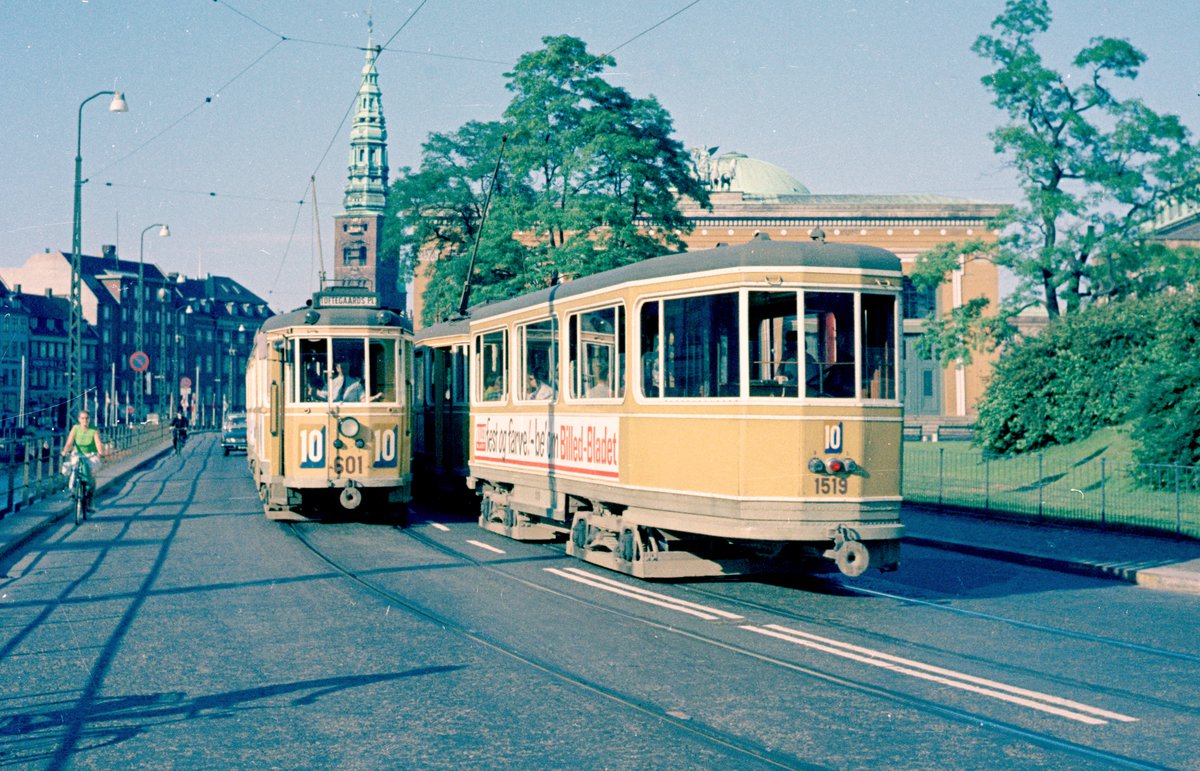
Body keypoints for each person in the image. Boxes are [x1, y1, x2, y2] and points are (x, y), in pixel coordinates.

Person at [61, 410, 106, 511]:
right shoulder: (75, 428)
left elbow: (98, 442)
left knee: (92, 475)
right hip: (77, 453)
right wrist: (65, 450)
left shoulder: (94, 430)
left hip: (91, 454)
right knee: (74, 469)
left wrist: (100, 453)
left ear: (89, 419)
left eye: (87, 418)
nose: (85, 420)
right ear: (79, 419)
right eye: (82, 418)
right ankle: (73, 491)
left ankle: (90, 500)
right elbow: (69, 442)